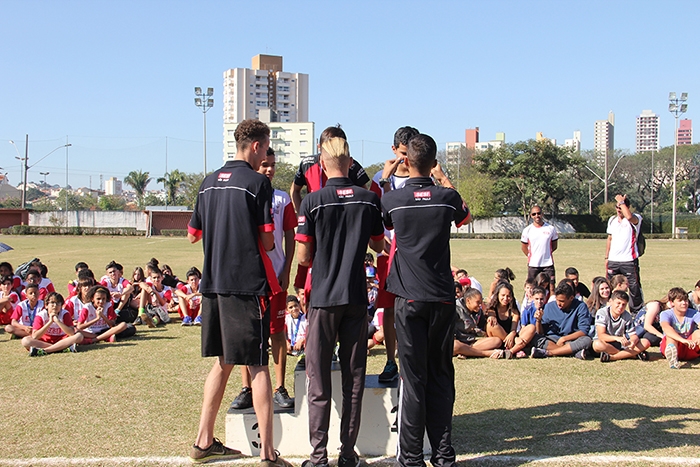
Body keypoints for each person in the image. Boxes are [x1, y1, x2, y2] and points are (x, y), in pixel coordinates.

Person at [187, 118, 290, 466]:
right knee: (258, 365)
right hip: (246, 286)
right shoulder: (258, 182)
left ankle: (203, 440)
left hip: (213, 285)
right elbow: (267, 238)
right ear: (258, 145)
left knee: (224, 361)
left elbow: (192, 235)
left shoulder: (207, 182)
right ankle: (269, 453)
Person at [381, 133, 470, 467]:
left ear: (406, 160)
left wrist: (388, 176)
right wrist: (442, 178)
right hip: (442, 299)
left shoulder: (394, 200)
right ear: (433, 163)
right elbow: (464, 215)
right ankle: (444, 457)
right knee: (441, 375)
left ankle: (413, 459)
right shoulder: (446, 198)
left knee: (413, 379)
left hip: (410, 299)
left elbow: (382, 217)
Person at [295, 134, 384, 467]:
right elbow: (378, 245)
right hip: (356, 298)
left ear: (322, 164)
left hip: (322, 298)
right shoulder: (367, 199)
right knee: (354, 379)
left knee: (319, 381)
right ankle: (348, 454)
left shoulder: (313, 201)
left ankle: (318, 458)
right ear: (350, 163)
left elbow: (304, 258)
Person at [232, 147, 298, 411]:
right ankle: (247, 388)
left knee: (277, 333)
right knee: (247, 336)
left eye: (272, 165)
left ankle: (280, 387)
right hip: (249, 278)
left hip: (276, 278)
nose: (269, 170)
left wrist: (286, 269)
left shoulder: (282, 199)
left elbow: (291, 236)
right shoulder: (245, 196)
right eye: (264, 165)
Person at [367, 126, 420, 383]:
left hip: (413, 254)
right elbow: (373, 214)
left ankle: (411, 361)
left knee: (412, 308)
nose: (406, 158)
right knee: (389, 308)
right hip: (387, 254)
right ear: (393, 150)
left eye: (410, 153)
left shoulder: (421, 176)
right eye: (402, 153)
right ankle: (390, 361)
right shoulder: (379, 178)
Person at [530, 283, 593, 359]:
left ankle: (548, 353)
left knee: (586, 340)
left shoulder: (580, 307)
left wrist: (564, 339)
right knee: (535, 338)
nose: (558, 303)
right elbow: (541, 332)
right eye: (557, 300)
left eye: (562, 301)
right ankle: (571, 352)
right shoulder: (549, 306)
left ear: (571, 298)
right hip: (552, 339)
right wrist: (538, 321)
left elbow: (583, 331)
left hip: (571, 340)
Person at [606, 194, 644, 312]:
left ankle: (636, 313)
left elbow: (629, 216)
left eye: (621, 207)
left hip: (628, 260)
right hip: (613, 260)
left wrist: (622, 202)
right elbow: (610, 239)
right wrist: (607, 257)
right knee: (610, 287)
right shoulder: (612, 220)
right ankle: (609, 310)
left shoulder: (635, 218)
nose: (619, 210)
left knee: (633, 288)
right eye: (617, 208)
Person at [22, 292, 83, 356]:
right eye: (52, 303)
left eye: (58, 303)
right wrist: (50, 322)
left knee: (79, 336)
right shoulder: (41, 316)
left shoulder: (65, 314)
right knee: (25, 341)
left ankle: (45, 351)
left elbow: (71, 333)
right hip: (45, 341)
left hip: (62, 340)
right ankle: (61, 348)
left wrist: (57, 321)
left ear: (61, 306)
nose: (55, 305)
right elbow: (35, 336)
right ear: (46, 305)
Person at [592, 290, 647, 362]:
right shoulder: (602, 312)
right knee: (597, 344)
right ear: (611, 302)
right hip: (605, 344)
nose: (620, 307)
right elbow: (601, 335)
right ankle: (631, 355)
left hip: (620, 344)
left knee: (645, 342)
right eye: (618, 303)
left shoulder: (627, 316)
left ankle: (613, 357)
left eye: (624, 304)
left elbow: (633, 335)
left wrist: (633, 341)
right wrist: (617, 338)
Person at [485, 282, 535, 359]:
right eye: (503, 295)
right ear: (497, 295)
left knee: (531, 327)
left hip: (511, 337)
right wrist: (515, 340)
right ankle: (517, 347)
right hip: (499, 340)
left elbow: (513, 329)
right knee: (491, 324)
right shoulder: (492, 309)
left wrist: (512, 334)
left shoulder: (513, 310)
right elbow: (491, 317)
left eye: (508, 296)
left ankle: (511, 351)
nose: (505, 298)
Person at [453, 286, 502, 358]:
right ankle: (486, 353)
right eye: (478, 302)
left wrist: (491, 316)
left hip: (471, 343)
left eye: (481, 302)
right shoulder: (455, 309)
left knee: (497, 341)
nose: (480, 305)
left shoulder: (478, 311)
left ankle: (466, 352)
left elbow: (483, 323)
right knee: (455, 346)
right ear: (468, 300)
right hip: (457, 342)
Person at [521, 205, 558, 296]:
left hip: (548, 264)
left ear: (542, 214)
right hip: (533, 265)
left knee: (551, 288)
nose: (537, 216)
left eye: (538, 213)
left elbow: (554, 246)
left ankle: (550, 307)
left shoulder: (551, 229)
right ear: (531, 216)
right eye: (534, 214)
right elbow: (524, 247)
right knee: (531, 288)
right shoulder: (527, 230)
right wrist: (532, 256)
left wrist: (545, 254)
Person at [659, 287, 700, 369]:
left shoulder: (694, 313)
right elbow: (666, 327)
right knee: (670, 336)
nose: (684, 303)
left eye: (685, 300)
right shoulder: (665, 314)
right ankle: (673, 360)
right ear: (672, 302)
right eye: (680, 301)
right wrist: (682, 340)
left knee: (697, 333)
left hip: (689, 346)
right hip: (671, 344)